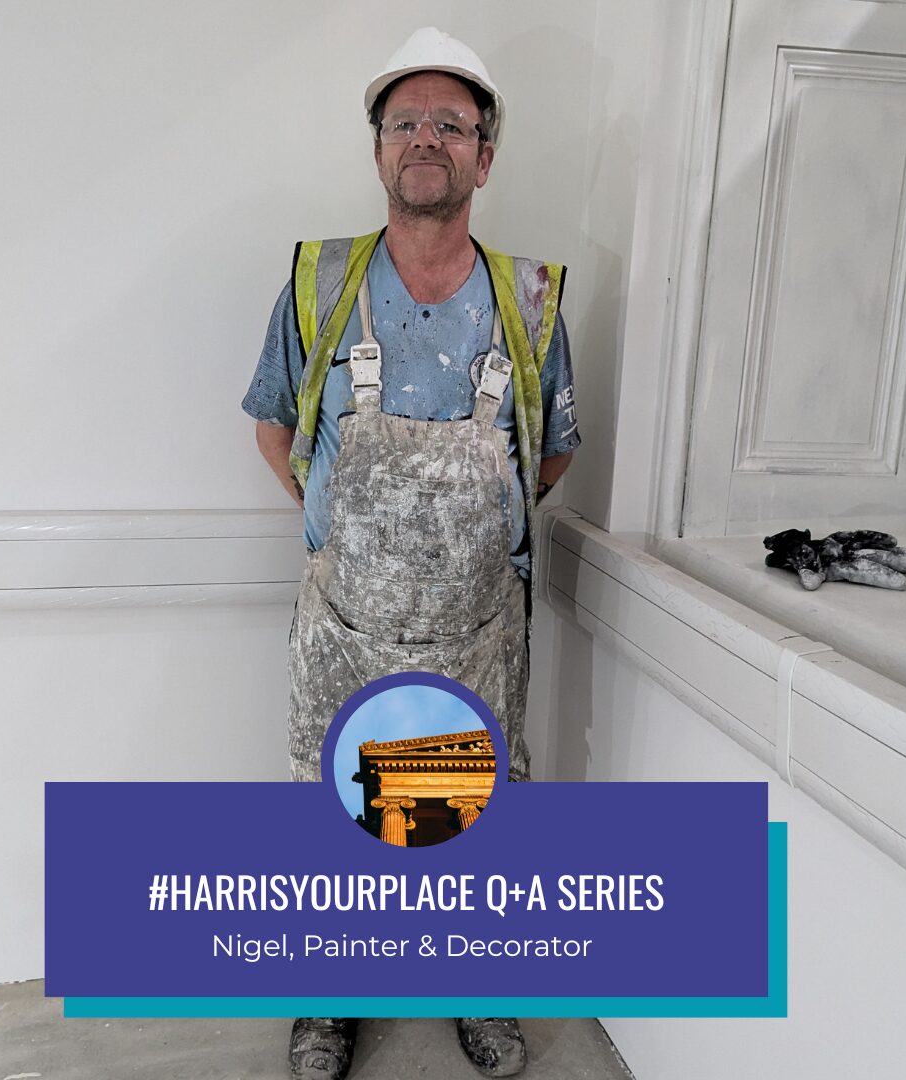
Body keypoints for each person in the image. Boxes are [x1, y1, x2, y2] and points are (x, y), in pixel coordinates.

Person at [242, 27, 579, 1080]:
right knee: (332, 804)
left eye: (451, 123)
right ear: (378, 150)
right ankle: (331, 997)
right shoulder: (319, 282)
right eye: (404, 122)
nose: (424, 138)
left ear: (485, 156)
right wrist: (345, 525)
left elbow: (550, 455)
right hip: (343, 621)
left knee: (478, 806)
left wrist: (463, 538)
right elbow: (271, 426)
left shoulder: (530, 303)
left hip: (479, 627)